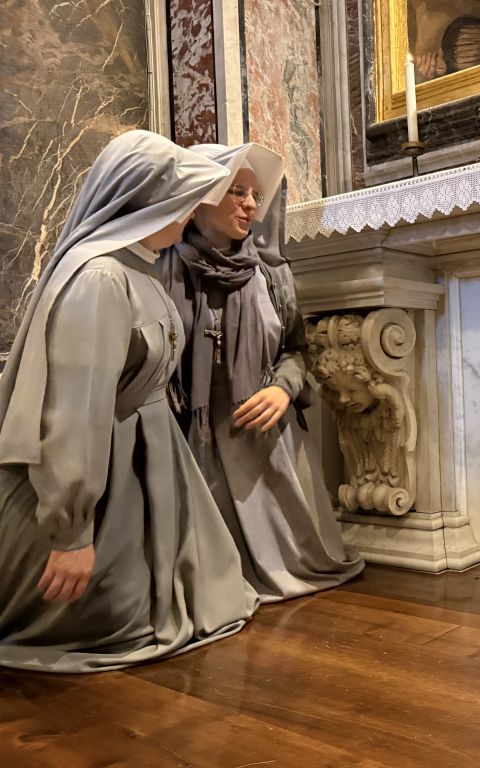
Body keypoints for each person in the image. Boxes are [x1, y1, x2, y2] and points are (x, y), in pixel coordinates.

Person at [0, 130, 259, 672]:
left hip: (146, 461)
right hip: (108, 476)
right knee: (118, 617)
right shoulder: (100, 277)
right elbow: (75, 412)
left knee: (204, 594)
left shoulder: (138, 266)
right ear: (145, 199)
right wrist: (72, 533)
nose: (190, 212)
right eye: (182, 199)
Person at [161, 143, 364, 603]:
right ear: (200, 196)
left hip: (266, 440)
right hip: (194, 442)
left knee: (303, 565)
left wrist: (282, 390)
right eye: (237, 192)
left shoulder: (270, 274)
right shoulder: (164, 268)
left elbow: (295, 349)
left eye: (255, 195)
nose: (251, 205)